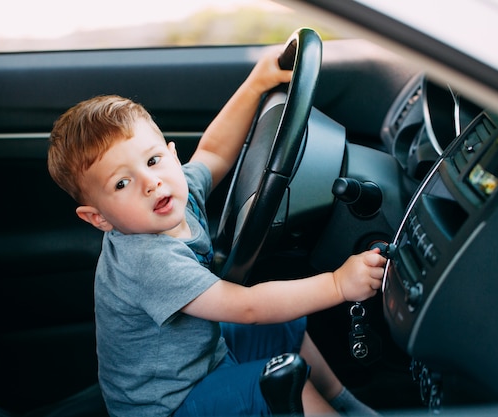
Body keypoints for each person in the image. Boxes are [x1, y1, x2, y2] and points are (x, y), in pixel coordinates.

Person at [47, 46, 386, 416]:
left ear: (173, 155)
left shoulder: (176, 194)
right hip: (170, 405)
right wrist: (338, 284)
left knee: (282, 327)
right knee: (282, 384)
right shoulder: (146, 260)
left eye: (153, 160)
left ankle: (347, 406)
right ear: (99, 219)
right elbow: (248, 306)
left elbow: (213, 151)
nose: (151, 183)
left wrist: (257, 82)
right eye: (122, 183)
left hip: (203, 360)